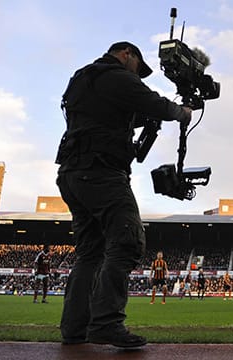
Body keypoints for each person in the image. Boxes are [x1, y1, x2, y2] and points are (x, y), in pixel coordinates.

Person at [56, 41, 192, 347]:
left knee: (90, 253)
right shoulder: (116, 76)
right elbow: (153, 103)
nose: (139, 76)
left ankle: (74, 329)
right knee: (128, 242)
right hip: (102, 173)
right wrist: (181, 112)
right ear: (125, 54)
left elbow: (114, 113)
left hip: (72, 173)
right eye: (138, 68)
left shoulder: (84, 78)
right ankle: (105, 323)